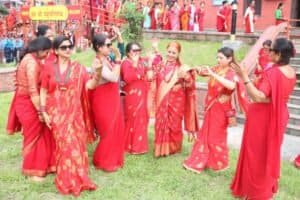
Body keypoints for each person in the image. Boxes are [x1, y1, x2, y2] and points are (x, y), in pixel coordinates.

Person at [230, 38, 296, 200]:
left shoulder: (273, 72)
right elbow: (277, 97)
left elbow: (259, 97)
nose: (268, 52)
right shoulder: (291, 72)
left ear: (279, 54)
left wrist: (244, 77)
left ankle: (255, 191)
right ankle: (266, 188)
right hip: (279, 115)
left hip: (263, 118)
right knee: (269, 152)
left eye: (271, 50)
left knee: (256, 154)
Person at [39, 36, 97, 196]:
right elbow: (43, 90)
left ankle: (78, 177)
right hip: (56, 115)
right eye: (63, 47)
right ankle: (66, 179)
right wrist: (43, 111)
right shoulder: (48, 68)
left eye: (69, 46)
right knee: (64, 146)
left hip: (75, 114)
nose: (68, 50)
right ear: (56, 51)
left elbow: (89, 86)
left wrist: (97, 73)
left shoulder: (78, 68)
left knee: (75, 145)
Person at [183, 47, 248, 173]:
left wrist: (213, 75)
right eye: (217, 57)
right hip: (211, 106)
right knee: (205, 134)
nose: (218, 60)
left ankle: (219, 163)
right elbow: (204, 71)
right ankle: (206, 160)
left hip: (221, 109)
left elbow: (231, 85)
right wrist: (195, 69)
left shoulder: (231, 72)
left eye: (221, 58)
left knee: (216, 136)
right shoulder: (217, 68)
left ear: (229, 59)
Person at [6, 37, 54, 181]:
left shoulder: (30, 58)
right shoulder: (31, 63)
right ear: (39, 50)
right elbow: (33, 90)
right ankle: (33, 171)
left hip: (28, 100)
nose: (47, 55)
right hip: (29, 102)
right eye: (46, 52)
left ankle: (43, 165)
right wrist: (41, 111)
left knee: (41, 134)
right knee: (33, 136)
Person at [154, 41, 199, 157]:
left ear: (178, 54)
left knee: (175, 124)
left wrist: (184, 81)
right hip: (162, 99)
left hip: (176, 101)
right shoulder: (160, 65)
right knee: (160, 122)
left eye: (174, 53)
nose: (170, 54)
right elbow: (153, 79)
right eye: (169, 52)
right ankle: (161, 147)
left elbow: (190, 85)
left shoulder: (182, 68)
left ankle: (174, 148)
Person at [90, 33, 125, 172]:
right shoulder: (97, 63)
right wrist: (117, 60)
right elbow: (113, 77)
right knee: (107, 130)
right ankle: (104, 161)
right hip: (102, 99)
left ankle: (113, 158)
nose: (111, 47)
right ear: (99, 47)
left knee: (116, 126)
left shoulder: (107, 58)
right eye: (108, 45)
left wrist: (120, 39)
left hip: (112, 97)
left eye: (111, 44)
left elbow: (120, 54)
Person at [121, 42, 152, 154]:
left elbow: (149, 75)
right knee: (133, 117)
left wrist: (150, 60)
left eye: (139, 50)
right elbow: (128, 78)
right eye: (134, 50)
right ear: (128, 53)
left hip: (142, 93)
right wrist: (133, 65)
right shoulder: (126, 63)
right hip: (131, 95)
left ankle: (139, 146)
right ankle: (130, 146)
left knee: (142, 117)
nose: (137, 52)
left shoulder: (141, 62)